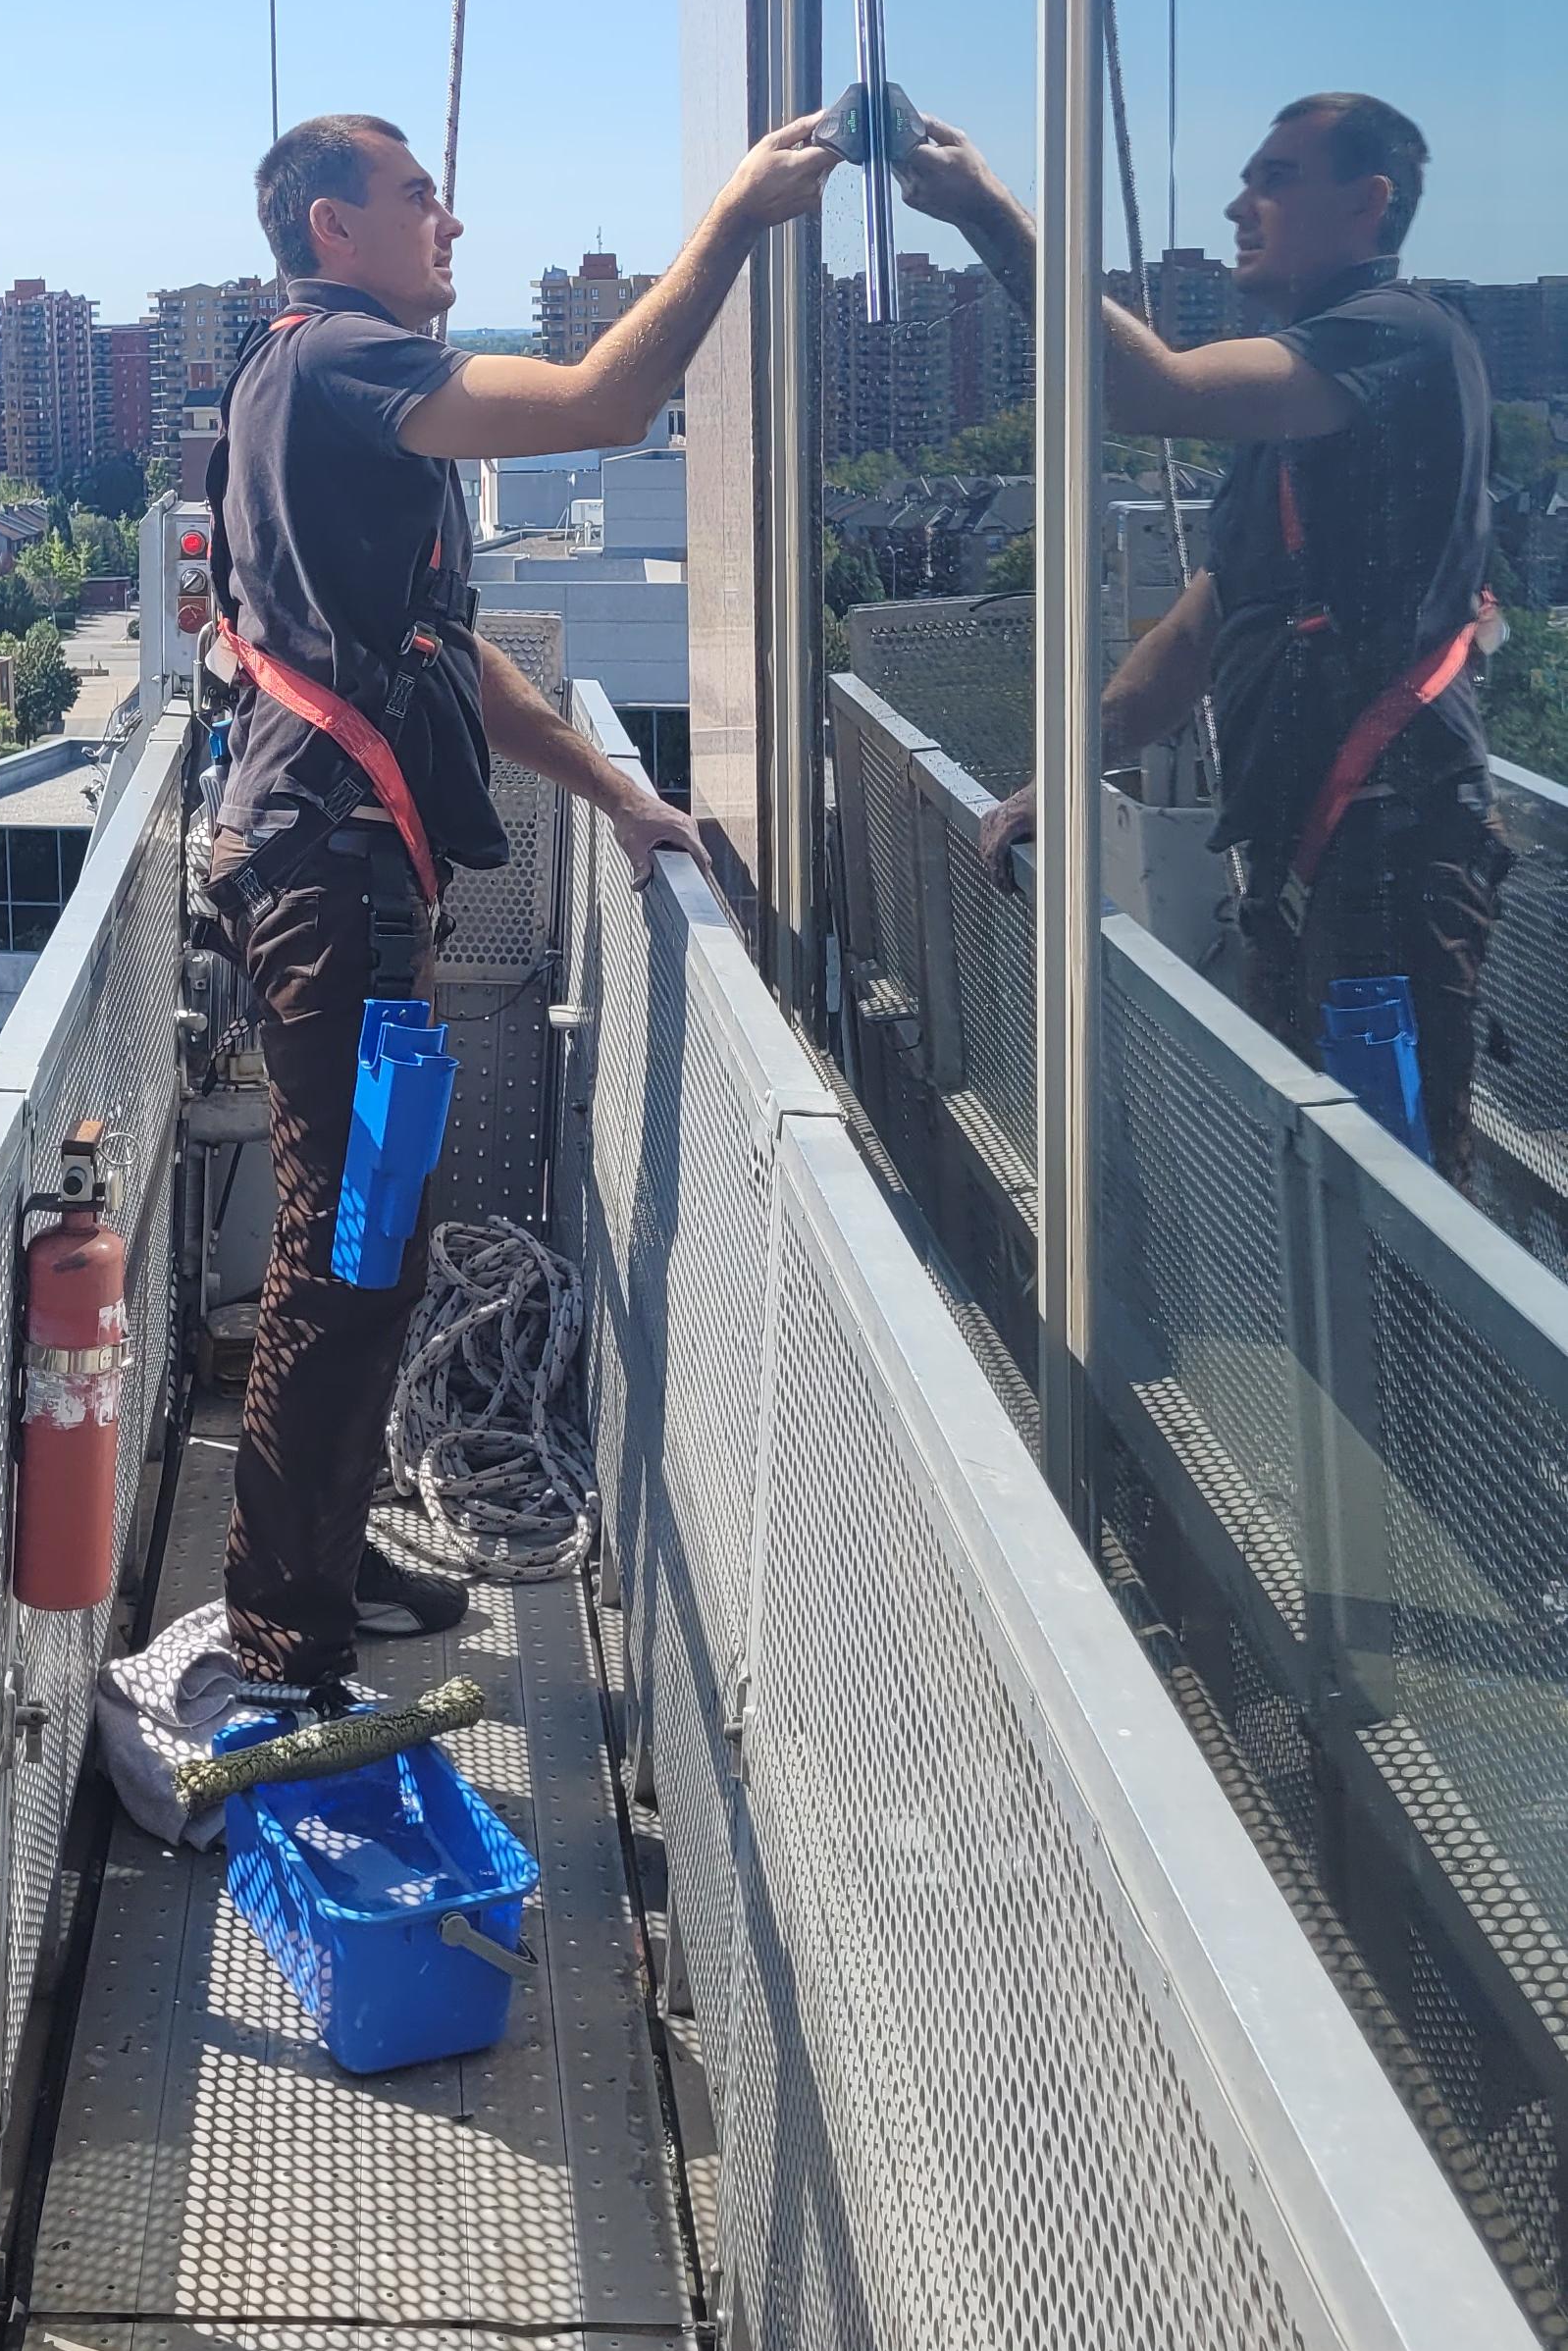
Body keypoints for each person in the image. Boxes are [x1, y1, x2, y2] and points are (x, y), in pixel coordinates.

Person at [203, 102, 838, 1706]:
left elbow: (441, 654)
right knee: (341, 1252)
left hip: (341, 868)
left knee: (375, 1245)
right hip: (329, 873)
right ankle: (279, 1639)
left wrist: (613, 790)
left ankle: (325, 1558)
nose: (451, 223)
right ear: (332, 227)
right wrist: (736, 218)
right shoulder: (344, 360)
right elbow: (605, 404)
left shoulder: (315, 385)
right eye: (418, 196)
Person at [899, 92, 1508, 1188]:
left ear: (1368, 203)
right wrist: (1068, 775)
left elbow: (1148, 389)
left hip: (1391, 839)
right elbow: (1208, 618)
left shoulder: (1400, 338)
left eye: (1277, 179)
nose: (1240, 205)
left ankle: (1412, 1301)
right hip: (1324, 845)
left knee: (1397, 1179)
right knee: (1320, 1164)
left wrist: (988, 211)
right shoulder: (1305, 403)